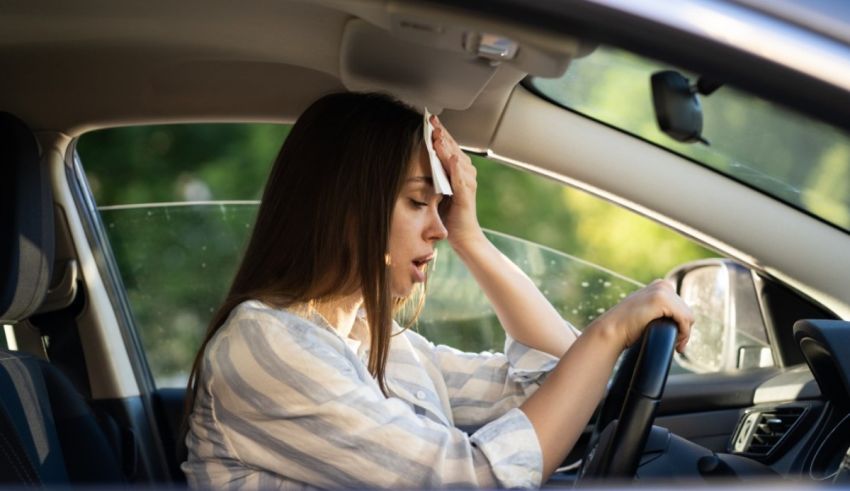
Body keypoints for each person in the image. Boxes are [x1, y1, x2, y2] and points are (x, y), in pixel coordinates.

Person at [181, 92, 693, 489]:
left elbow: (562, 381)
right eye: (417, 202)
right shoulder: (265, 344)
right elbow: (473, 480)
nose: (440, 229)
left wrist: (473, 240)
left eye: (442, 208)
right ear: (349, 211)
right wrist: (610, 331)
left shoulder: (375, 340)